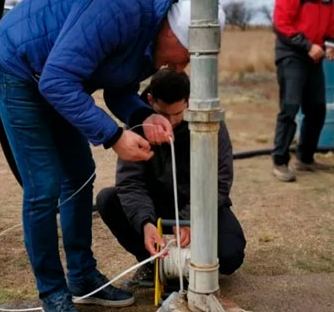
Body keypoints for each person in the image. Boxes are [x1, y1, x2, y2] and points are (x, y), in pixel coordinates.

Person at [0, 0, 224, 312]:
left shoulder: (150, 39)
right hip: (18, 68)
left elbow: (117, 88)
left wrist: (144, 116)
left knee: (80, 175)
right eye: (180, 58)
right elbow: (56, 81)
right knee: (45, 185)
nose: (178, 68)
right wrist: (113, 136)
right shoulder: (117, 10)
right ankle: (52, 292)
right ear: (170, 32)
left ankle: (82, 278)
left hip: (57, 76)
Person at [96, 69, 245, 288]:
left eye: (178, 114)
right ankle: (152, 263)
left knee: (230, 255)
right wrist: (145, 222)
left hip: (200, 204)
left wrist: (191, 217)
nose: (172, 122)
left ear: (188, 101)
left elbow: (220, 180)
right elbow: (130, 183)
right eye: (164, 115)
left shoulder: (209, 123)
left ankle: (189, 263)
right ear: (150, 100)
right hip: (156, 205)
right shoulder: (138, 124)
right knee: (108, 200)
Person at [272, 0, 334, 182]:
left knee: (318, 108)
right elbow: (281, 25)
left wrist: (331, 45)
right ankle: (280, 162)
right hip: (291, 54)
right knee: (290, 107)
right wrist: (308, 45)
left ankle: (305, 158)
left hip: (314, 58)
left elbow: (330, 29)